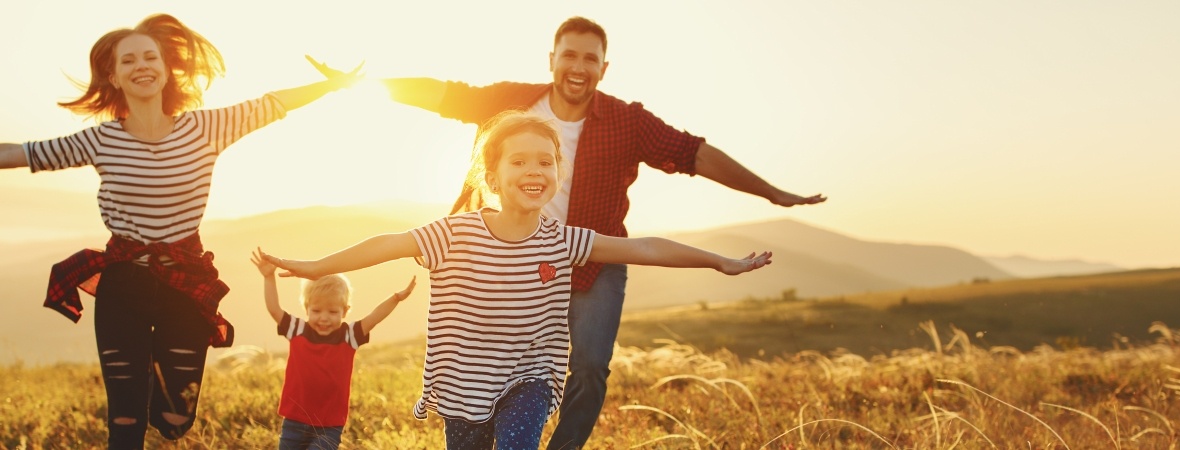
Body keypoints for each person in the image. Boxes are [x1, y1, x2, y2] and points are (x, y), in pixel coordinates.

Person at [308, 16, 824, 448]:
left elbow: (695, 154)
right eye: (569, 55)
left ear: (604, 67)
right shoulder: (512, 103)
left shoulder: (626, 121)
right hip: (504, 256)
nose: (578, 67)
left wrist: (772, 193)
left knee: (591, 366)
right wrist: (357, 84)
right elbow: (443, 95)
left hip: (590, 256)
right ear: (552, 58)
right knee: (485, 363)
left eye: (590, 59)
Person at [258, 110, 773, 449]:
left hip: (530, 377)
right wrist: (315, 267)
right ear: (492, 176)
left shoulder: (560, 240)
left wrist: (718, 261)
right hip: (462, 387)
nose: (535, 169)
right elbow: (388, 244)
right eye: (519, 160)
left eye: (545, 161)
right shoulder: (454, 234)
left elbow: (643, 247)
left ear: (557, 173)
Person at [0, 13, 359, 448]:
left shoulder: (205, 128)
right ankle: (132, 383)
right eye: (128, 60)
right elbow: (18, 153)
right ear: (113, 76)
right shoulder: (99, 140)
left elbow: (271, 104)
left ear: (167, 67)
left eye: (150, 56)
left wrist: (331, 85)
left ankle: (148, 381)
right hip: (123, 284)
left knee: (174, 419)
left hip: (185, 283)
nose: (141, 66)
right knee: (126, 421)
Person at [251, 252, 416, 450]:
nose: (324, 318)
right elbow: (274, 309)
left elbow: (374, 318)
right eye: (317, 311)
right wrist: (269, 277)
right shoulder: (298, 330)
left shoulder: (349, 336)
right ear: (307, 308)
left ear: (345, 311)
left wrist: (396, 298)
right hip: (294, 420)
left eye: (333, 312)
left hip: (329, 426)